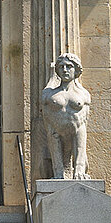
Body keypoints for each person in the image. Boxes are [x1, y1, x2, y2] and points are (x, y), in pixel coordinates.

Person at [41, 52, 91, 180]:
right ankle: (58, 172)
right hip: (56, 132)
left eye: (69, 66)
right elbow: (49, 126)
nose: (65, 70)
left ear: (76, 70)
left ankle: (79, 170)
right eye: (61, 67)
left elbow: (84, 124)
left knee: (80, 133)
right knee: (54, 136)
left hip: (76, 130)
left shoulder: (84, 94)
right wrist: (52, 77)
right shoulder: (49, 93)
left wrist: (79, 167)